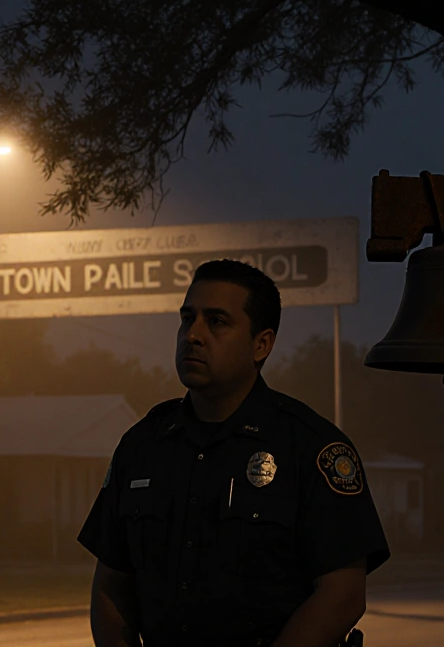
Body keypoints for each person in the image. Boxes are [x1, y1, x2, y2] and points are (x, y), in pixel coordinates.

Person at [78, 258, 390, 647]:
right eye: (187, 318)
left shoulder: (310, 448)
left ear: (262, 344)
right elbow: (111, 583)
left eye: (217, 321)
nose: (193, 334)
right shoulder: (143, 445)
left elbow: (342, 595)